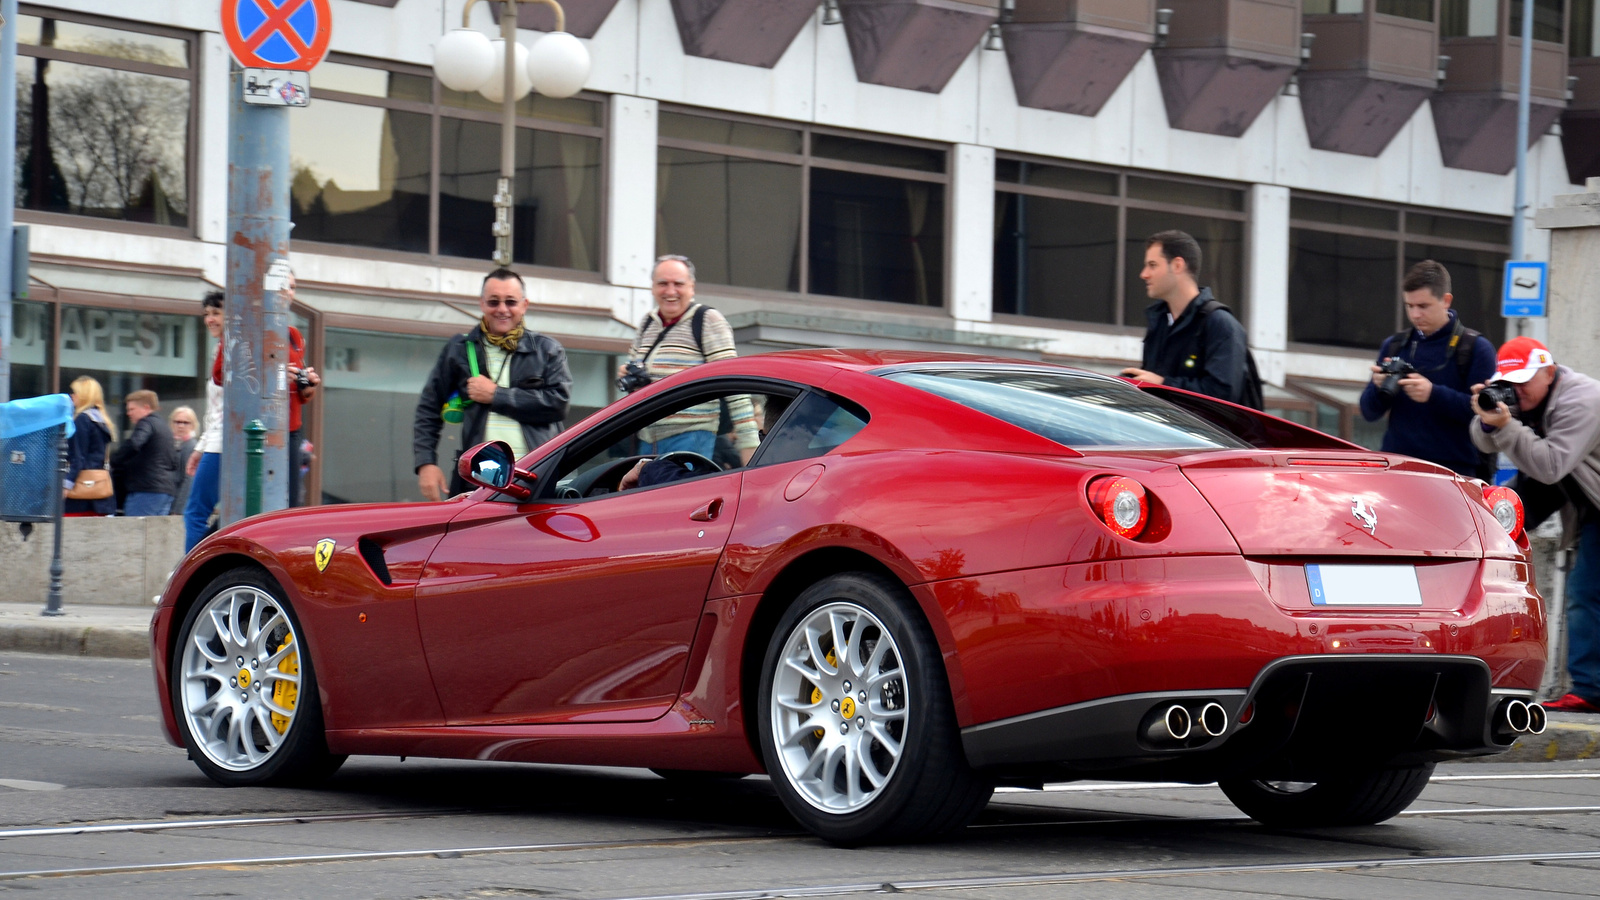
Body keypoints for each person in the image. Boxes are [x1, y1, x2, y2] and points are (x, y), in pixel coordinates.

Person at [1470, 338, 1600, 713]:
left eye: (1525, 380)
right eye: (1509, 382)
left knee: (1586, 590)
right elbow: (1484, 441)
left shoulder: (1583, 399)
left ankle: (1591, 689)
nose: (1518, 389)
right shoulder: (1524, 399)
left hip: (1571, 486)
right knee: (1494, 523)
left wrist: (1507, 426)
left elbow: (1550, 465)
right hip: (1575, 493)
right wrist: (1488, 418)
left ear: (1549, 371)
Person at [413, 268, 573, 501]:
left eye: (510, 302)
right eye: (493, 302)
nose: (502, 309)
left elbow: (558, 403)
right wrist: (426, 463)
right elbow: (429, 407)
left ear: (524, 305)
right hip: (479, 479)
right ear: (482, 304)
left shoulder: (547, 349)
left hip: (537, 476)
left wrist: (496, 395)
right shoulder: (459, 349)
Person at [1359, 260, 1498, 479]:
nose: (1415, 315)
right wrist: (1377, 388)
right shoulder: (1395, 346)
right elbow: (1368, 413)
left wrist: (1433, 394)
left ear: (1446, 300)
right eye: (1409, 306)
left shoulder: (1475, 348)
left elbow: (1483, 415)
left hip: (1453, 472)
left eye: (1423, 306)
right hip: (1397, 466)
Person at [621, 255, 759, 460]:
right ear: (652, 287)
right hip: (647, 440)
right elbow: (633, 369)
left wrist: (748, 442)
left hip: (691, 437)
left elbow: (734, 383)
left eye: (678, 284)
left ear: (691, 287)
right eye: (663, 284)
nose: (670, 291)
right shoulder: (647, 323)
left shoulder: (706, 320)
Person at [1120, 231, 1256, 406]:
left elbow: (1223, 398)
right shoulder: (1160, 321)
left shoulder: (1221, 325)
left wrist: (1162, 384)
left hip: (1206, 433)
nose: (1144, 274)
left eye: (1152, 265)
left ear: (1177, 265)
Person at [184, 291, 226, 550]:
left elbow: (225, 411)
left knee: (195, 512)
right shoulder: (220, 349)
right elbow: (216, 409)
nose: (209, 319)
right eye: (206, 314)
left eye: (216, 313)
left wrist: (204, 447)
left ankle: (190, 575)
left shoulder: (231, 350)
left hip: (222, 443)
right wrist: (200, 447)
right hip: (217, 440)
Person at [282, 271, 321, 507]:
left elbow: (301, 394)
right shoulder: (249, 328)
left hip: (291, 429)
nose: (288, 292)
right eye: (283, 285)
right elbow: (221, 375)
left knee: (291, 503)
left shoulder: (294, 334)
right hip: (260, 431)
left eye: (293, 287)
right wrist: (274, 375)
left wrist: (308, 385)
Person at [111, 390, 177, 516]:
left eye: (132, 409)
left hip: (145, 489)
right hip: (165, 490)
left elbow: (135, 443)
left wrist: (115, 459)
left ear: (146, 407)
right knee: (157, 533)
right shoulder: (164, 427)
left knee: (136, 532)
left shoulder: (146, 423)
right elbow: (174, 461)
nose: (128, 413)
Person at [64, 375, 117, 517]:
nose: (72, 396)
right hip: (99, 493)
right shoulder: (101, 420)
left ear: (84, 395)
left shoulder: (82, 419)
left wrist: (67, 484)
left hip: (80, 495)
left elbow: (78, 457)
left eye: (75, 392)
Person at [168, 405, 198, 514]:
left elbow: (188, 479)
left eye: (186, 422)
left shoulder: (191, 446)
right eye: (177, 422)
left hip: (179, 504)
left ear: (193, 425)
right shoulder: (173, 444)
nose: (181, 426)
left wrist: (178, 509)